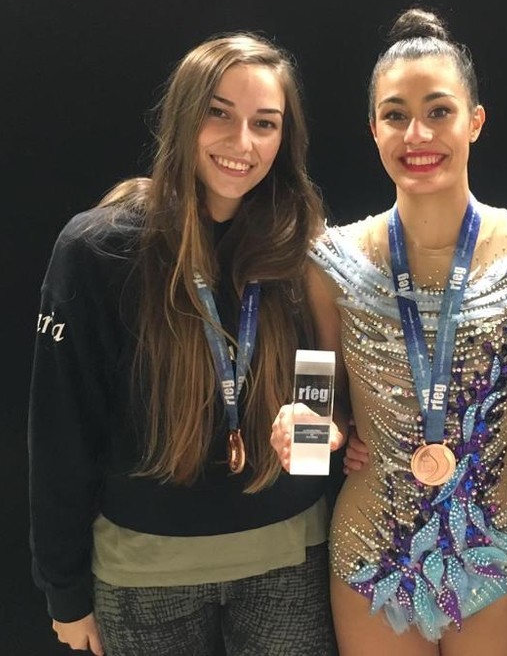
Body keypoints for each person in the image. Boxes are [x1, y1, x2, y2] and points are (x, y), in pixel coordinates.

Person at [271, 7, 507, 655]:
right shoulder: (329, 261)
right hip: (371, 550)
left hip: (497, 546)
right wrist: (319, 432)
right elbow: (314, 415)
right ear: (372, 128)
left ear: (475, 120)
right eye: (395, 114)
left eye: (438, 110)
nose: (418, 133)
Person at [28, 33, 340, 656]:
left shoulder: (301, 245)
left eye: (265, 123)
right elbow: (60, 431)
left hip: (287, 561)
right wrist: (64, 590)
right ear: (182, 115)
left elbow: (320, 383)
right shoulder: (98, 249)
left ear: (286, 140)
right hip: (146, 575)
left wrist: (320, 431)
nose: (242, 143)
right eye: (218, 113)